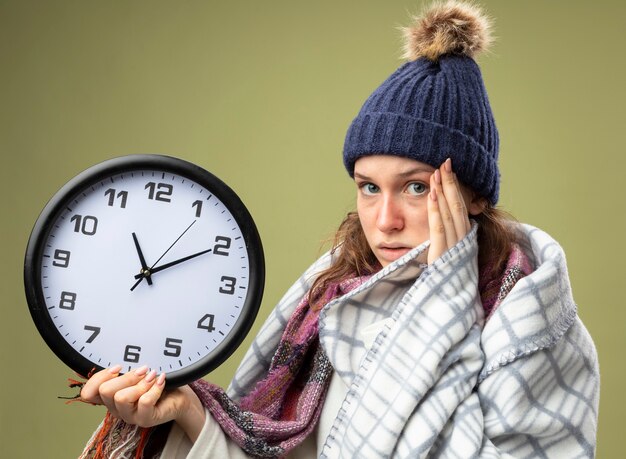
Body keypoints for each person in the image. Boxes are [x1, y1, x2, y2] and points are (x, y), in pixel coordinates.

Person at [78, 1, 600, 457]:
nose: (385, 219)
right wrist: (187, 411)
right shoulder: (327, 299)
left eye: (417, 187)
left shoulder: (531, 320)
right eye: (369, 187)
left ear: (476, 195)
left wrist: (448, 302)